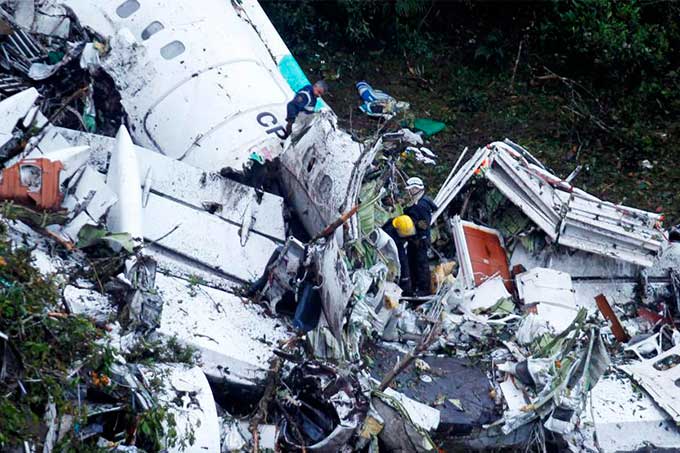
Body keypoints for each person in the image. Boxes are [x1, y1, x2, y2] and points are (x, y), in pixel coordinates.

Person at [403, 177, 438, 296]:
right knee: (412, 263)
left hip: (420, 240)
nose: (409, 192)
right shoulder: (418, 202)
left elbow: (424, 224)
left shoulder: (422, 205)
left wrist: (412, 222)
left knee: (421, 265)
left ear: (416, 189)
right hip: (415, 239)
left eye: (410, 189)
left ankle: (423, 290)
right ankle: (414, 287)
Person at [382, 215, 417, 295]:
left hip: (396, 246)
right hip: (388, 254)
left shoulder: (401, 224)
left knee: (404, 264)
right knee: (400, 266)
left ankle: (406, 287)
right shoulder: (389, 233)